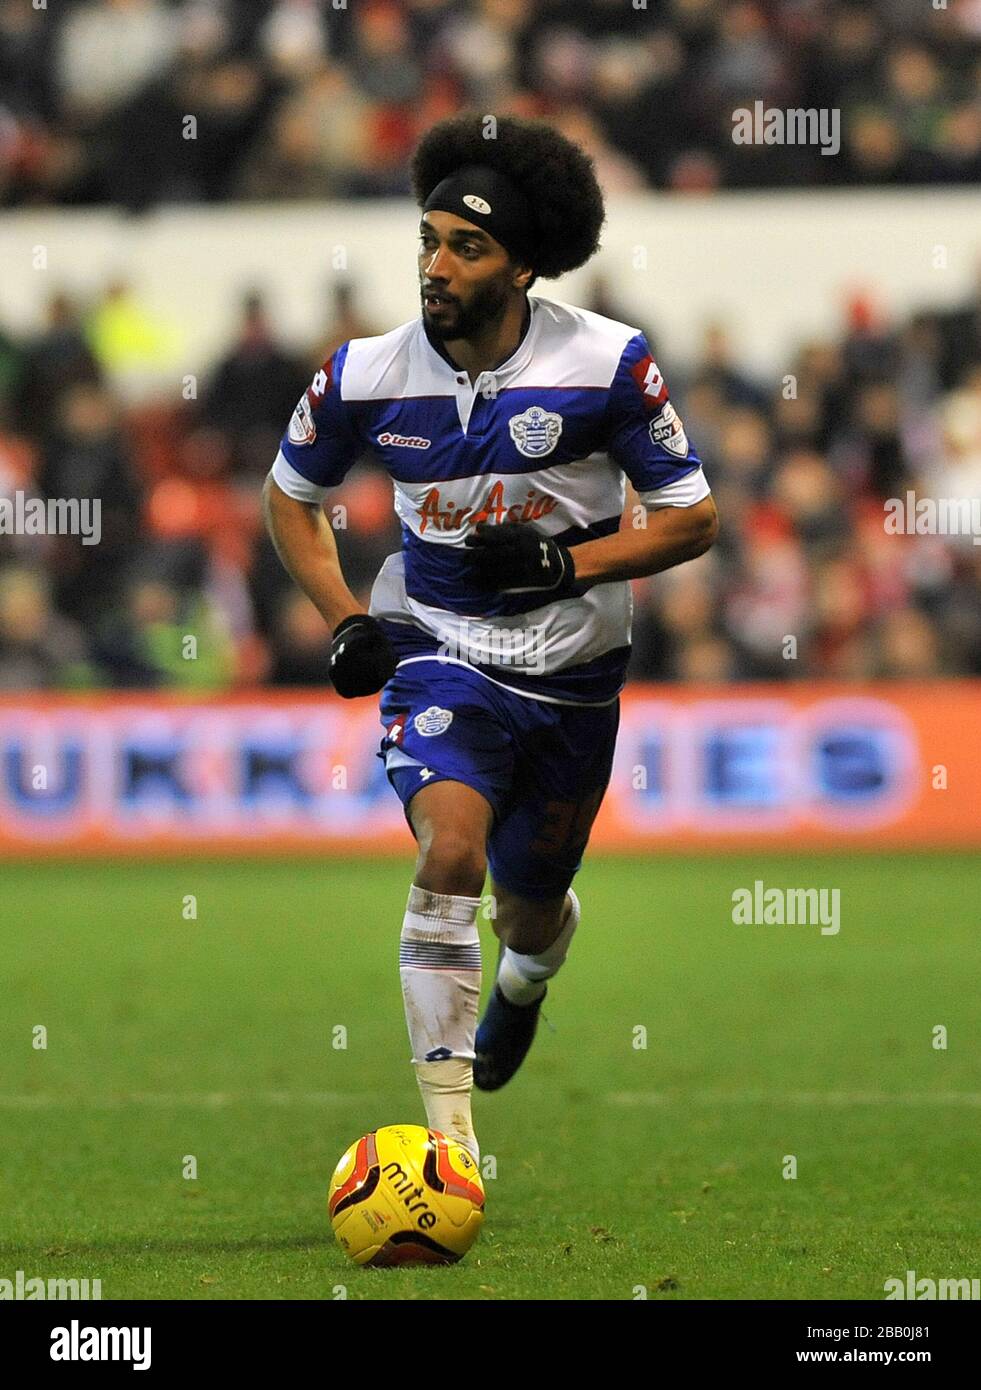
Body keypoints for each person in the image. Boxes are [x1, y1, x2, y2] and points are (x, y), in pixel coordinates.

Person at [262, 113, 718, 1166]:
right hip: (439, 643)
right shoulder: (363, 376)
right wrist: (344, 617)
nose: (436, 264)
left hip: (572, 674)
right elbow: (292, 500)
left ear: (522, 265)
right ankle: (451, 1141)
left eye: (465, 248)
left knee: (531, 908)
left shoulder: (609, 364)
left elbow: (693, 517)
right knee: (451, 850)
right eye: (428, 240)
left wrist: (576, 564)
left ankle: (526, 981)